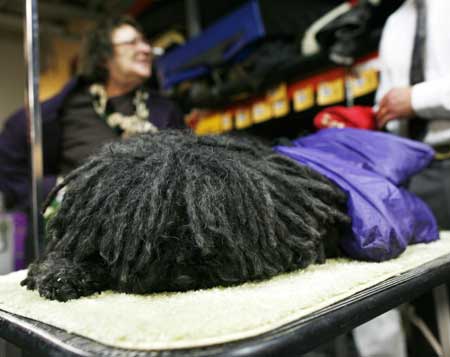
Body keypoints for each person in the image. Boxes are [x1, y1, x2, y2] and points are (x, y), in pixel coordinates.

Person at [0, 15, 185, 212]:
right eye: (132, 43)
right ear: (104, 57)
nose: (146, 49)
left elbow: (187, 168)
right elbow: (9, 156)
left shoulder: (165, 110)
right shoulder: (68, 106)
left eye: (144, 42)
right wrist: (52, 191)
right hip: (83, 230)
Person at [374, 1, 450, 356]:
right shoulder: (394, 23)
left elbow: (406, 98)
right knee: (424, 290)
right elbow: (388, 100)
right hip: (421, 168)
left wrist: (415, 99)